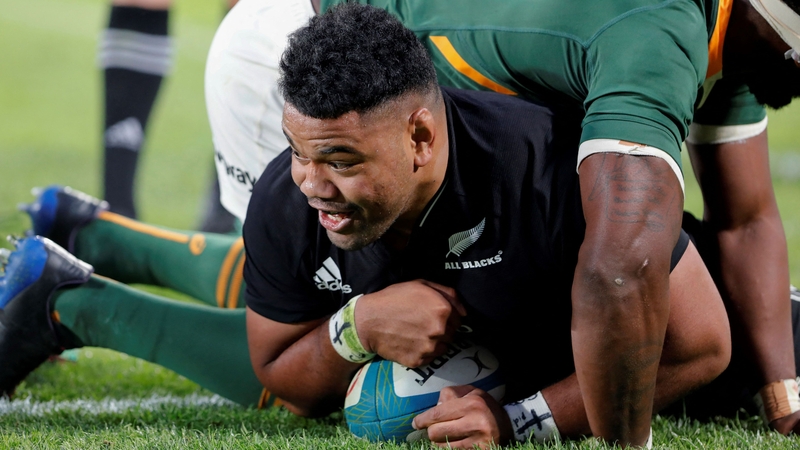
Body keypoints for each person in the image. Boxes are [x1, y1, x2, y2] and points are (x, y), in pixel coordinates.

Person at [208, 0, 800, 436]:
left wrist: (522, 421)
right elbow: (280, 366)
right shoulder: (299, 186)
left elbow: (718, 251)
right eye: (299, 158)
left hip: (444, 145)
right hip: (293, 42)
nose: (308, 183)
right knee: (303, 279)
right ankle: (121, 274)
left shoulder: (544, 165)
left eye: (333, 161)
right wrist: (358, 326)